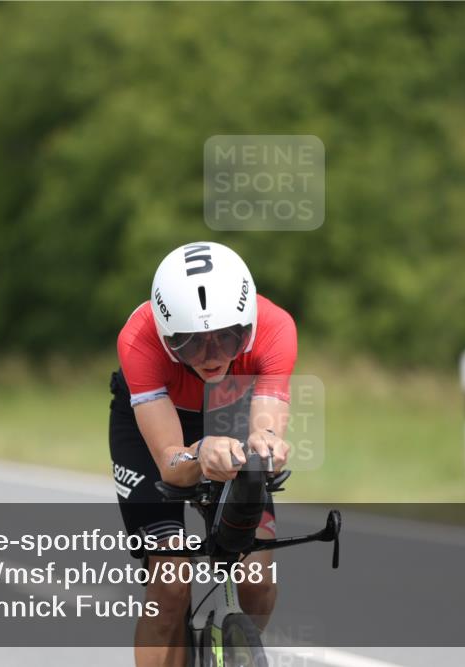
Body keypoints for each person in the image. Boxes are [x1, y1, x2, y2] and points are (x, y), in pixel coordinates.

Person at [109, 241, 297, 666]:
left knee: (257, 582)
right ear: (165, 335)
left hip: (229, 410)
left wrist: (266, 446)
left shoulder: (275, 327)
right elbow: (172, 465)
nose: (211, 357)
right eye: (190, 345)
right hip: (154, 428)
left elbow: (265, 426)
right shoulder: (139, 339)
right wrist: (198, 455)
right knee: (170, 582)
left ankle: (234, 650)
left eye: (228, 339)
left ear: (247, 325)